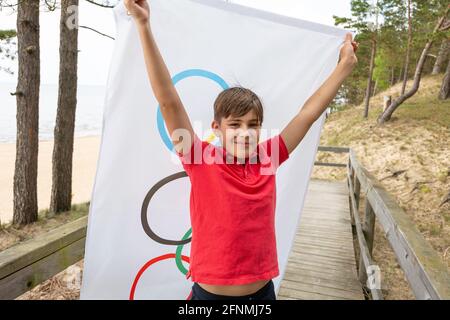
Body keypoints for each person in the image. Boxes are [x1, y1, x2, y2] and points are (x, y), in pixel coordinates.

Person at [124, 0, 358, 300]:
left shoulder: (268, 158)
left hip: (262, 296)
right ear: (217, 127)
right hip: (209, 298)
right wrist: (143, 25)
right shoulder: (199, 157)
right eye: (235, 124)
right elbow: (168, 99)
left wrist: (344, 67)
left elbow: (307, 113)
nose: (245, 133)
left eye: (253, 124)